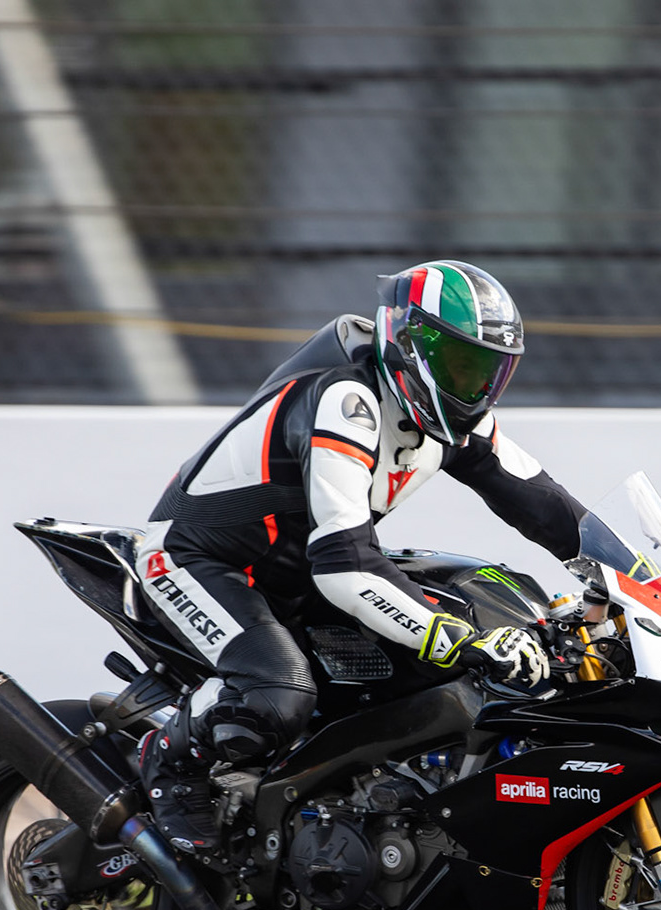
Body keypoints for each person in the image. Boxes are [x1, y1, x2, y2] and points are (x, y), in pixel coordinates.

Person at [134, 260, 586, 854]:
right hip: (199, 561)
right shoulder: (346, 398)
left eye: (487, 373)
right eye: (460, 366)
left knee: (458, 628)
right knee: (279, 691)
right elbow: (346, 562)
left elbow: (549, 508)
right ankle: (169, 763)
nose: (474, 388)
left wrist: (638, 577)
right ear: (411, 344)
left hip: (298, 576)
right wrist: (456, 638)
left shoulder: (456, 420)